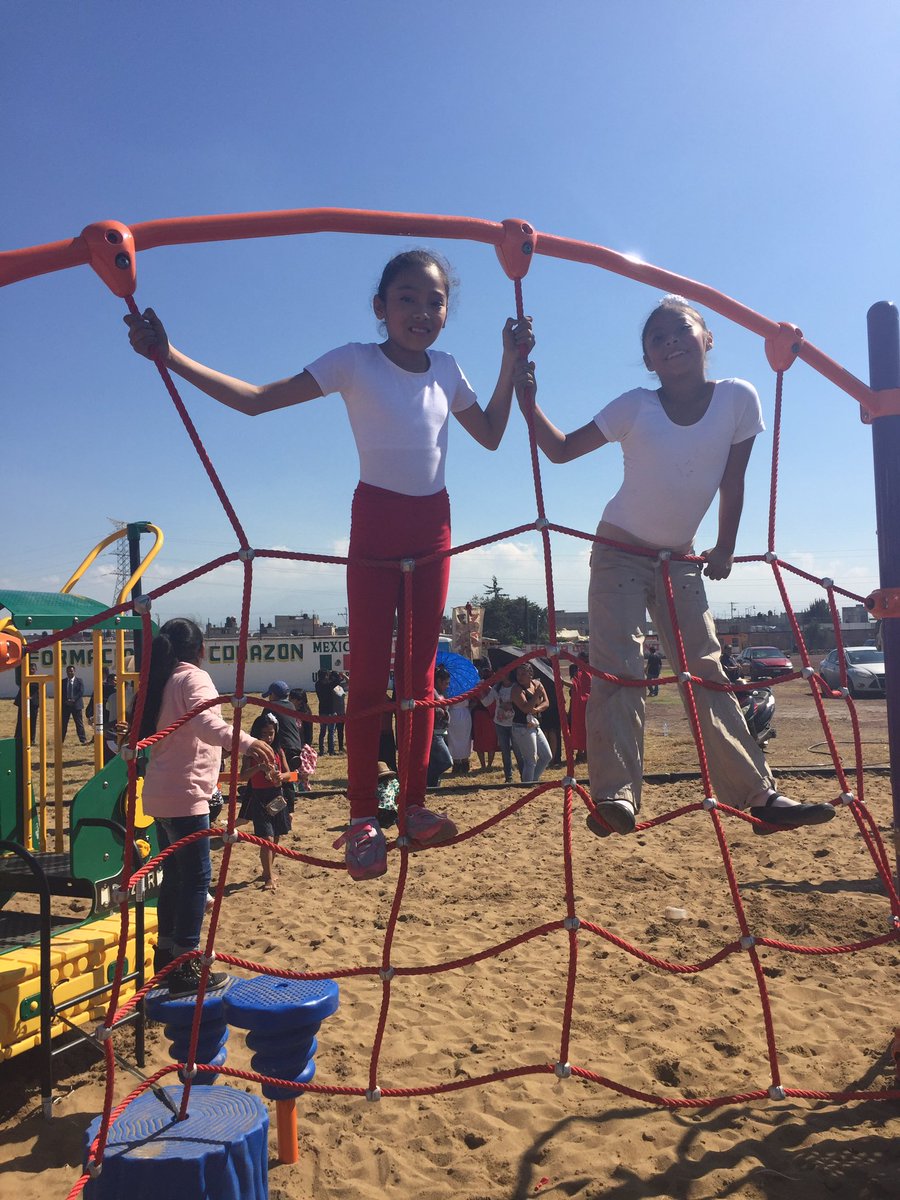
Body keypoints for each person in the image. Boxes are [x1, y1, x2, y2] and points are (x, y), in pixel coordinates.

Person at [126, 249, 531, 881]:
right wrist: (170, 355)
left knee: (421, 675)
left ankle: (414, 804)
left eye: (435, 301)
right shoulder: (356, 360)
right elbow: (257, 400)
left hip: (434, 523)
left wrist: (509, 362)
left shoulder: (448, 369)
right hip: (376, 519)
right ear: (380, 307)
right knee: (367, 675)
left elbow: (493, 433)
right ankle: (364, 815)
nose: (422, 312)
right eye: (406, 298)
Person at [514, 294, 836, 835]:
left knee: (706, 670)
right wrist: (530, 404)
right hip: (619, 550)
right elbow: (563, 450)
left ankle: (758, 796)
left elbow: (733, 480)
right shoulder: (636, 405)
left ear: (707, 338)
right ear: (648, 359)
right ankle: (616, 796)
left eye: (681, 330)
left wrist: (726, 546)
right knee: (619, 667)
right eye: (656, 339)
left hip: (680, 557)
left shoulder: (737, 397)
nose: (670, 342)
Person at [138, 618, 276, 994]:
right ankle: (185, 964)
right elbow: (204, 723)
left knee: (175, 878)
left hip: (160, 796)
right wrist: (248, 742)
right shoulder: (192, 678)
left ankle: (166, 957)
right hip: (186, 796)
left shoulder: (160, 680)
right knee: (197, 879)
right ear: (201, 649)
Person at [239, 712, 293, 890]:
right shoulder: (251, 753)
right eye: (264, 734)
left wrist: (281, 776)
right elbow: (242, 776)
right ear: (256, 733)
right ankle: (269, 877)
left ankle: (267, 870)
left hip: (277, 796)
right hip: (259, 798)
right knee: (266, 838)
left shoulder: (278, 751)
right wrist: (259, 767)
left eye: (271, 733)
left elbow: (289, 774)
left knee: (276, 836)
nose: (268, 738)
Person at [261, 680, 302, 811]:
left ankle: (286, 810)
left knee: (281, 778)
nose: (269, 697)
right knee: (288, 777)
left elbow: (264, 724)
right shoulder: (290, 705)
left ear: (273, 694)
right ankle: (287, 808)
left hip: (283, 746)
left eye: (270, 694)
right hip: (295, 745)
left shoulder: (270, 707)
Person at [509, 662, 552, 784]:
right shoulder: (516, 689)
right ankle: (527, 785)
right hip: (522, 727)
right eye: (518, 674)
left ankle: (533, 781)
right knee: (530, 761)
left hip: (535, 725)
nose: (520, 677)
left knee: (546, 756)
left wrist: (537, 710)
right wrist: (536, 695)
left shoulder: (537, 684)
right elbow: (526, 709)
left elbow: (546, 702)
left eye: (523, 674)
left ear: (530, 675)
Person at [487, 669, 522, 784]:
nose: (499, 675)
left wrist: (511, 704)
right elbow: (486, 702)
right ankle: (509, 777)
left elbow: (522, 702)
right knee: (505, 752)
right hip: (500, 724)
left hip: (514, 723)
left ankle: (524, 776)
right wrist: (481, 690)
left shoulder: (516, 687)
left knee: (518, 751)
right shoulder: (496, 688)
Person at [426, 666, 454, 789]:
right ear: (438, 681)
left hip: (442, 732)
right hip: (434, 733)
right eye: (446, 683)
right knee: (446, 761)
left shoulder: (441, 693)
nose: (447, 686)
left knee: (435, 761)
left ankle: (433, 784)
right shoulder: (431, 692)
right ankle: (428, 780)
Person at [470, 667, 498, 770]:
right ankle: (486, 765)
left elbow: (472, 702)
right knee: (485, 739)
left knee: (486, 740)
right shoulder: (492, 687)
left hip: (484, 715)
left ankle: (486, 765)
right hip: (485, 715)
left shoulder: (492, 687)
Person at [59, 664, 87, 744]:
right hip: (66, 706)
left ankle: (83, 740)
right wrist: (66, 701)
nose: (70, 673)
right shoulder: (62, 682)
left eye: (71, 671)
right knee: (63, 724)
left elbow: (81, 692)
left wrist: (73, 700)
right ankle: (60, 740)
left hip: (76, 705)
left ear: (74, 671)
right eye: (68, 671)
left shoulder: (79, 681)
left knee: (79, 723)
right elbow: (60, 693)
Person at [315, 669, 337, 756]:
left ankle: (321, 750)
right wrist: (333, 673)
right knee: (331, 732)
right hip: (331, 710)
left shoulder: (317, 684)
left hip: (322, 710)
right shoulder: (329, 684)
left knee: (322, 731)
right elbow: (337, 680)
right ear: (326, 676)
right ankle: (331, 750)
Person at [330, 670, 347, 753]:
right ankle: (332, 748)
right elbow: (341, 694)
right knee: (333, 732)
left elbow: (349, 682)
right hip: (335, 712)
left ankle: (340, 747)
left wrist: (343, 675)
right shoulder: (333, 687)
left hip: (341, 712)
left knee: (340, 731)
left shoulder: (340, 686)